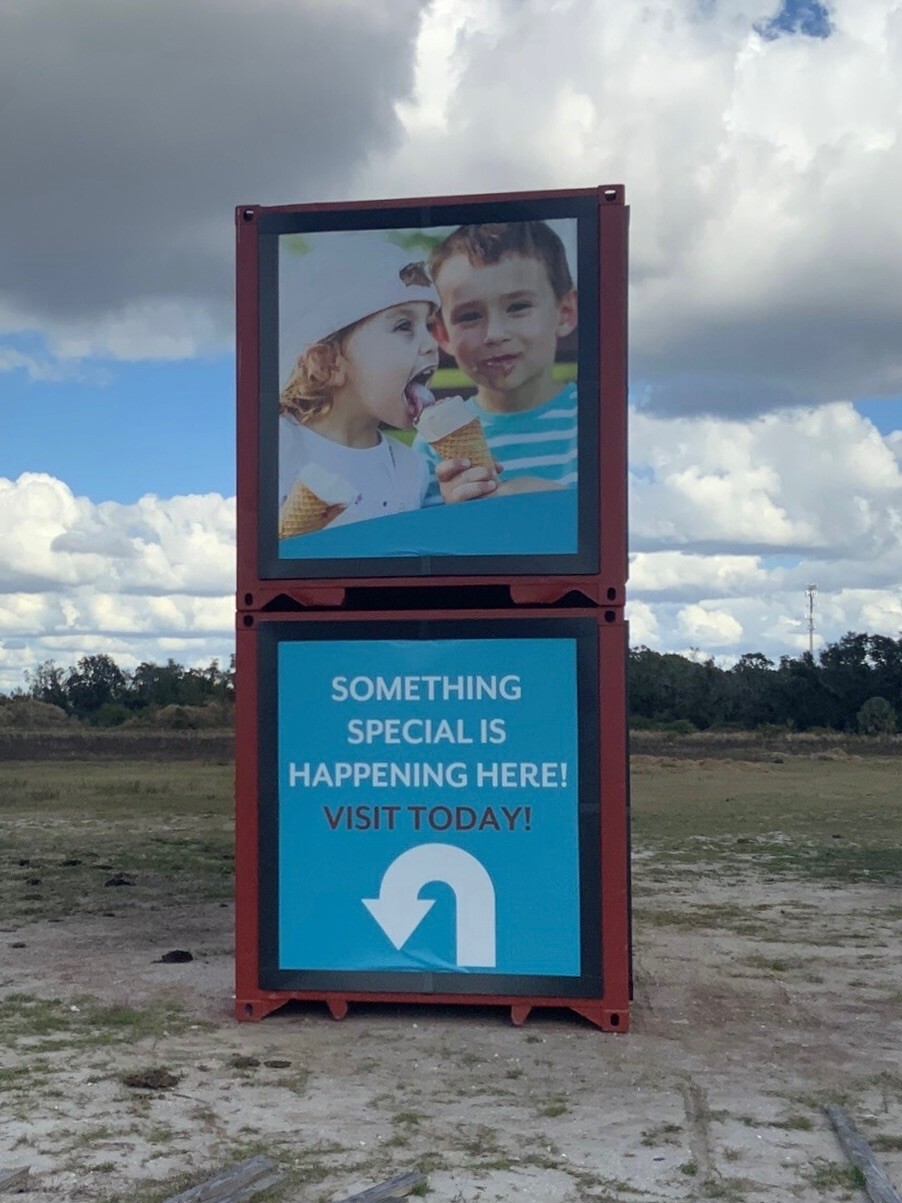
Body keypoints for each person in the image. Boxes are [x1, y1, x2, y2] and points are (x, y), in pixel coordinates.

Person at [278, 234, 440, 534]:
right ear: (329, 362)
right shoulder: (278, 446)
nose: (431, 344)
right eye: (404, 326)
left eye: (428, 326)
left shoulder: (411, 469)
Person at [415, 220, 578, 504]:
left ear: (563, 314)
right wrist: (451, 514)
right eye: (469, 317)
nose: (495, 334)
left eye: (518, 307)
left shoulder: (595, 422)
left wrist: (557, 505)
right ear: (443, 335)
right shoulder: (432, 449)